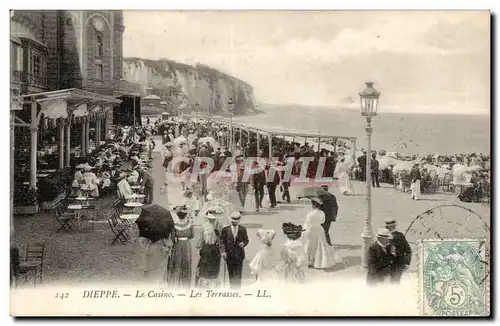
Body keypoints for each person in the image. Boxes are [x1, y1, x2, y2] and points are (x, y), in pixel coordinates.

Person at [303, 198, 341, 268]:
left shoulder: (310, 214)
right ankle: (318, 261)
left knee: (310, 245)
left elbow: (307, 222)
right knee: (319, 245)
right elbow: (323, 222)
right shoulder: (322, 213)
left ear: (313, 205)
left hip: (311, 230)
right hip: (319, 229)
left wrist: (304, 231)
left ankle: (310, 261)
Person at [219, 211, 249, 289]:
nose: (234, 223)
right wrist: (223, 252)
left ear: (238, 221)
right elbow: (221, 242)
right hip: (229, 255)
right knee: (231, 274)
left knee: (238, 275)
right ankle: (232, 289)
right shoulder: (225, 230)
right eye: (232, 222)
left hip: (239, 255)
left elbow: (246, 240)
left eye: (236, 222)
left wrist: (243, 243)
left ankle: (237, 289)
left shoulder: (243, 229)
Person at [167, 207, 194, 289]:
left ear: (178, 216)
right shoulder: (190, 225)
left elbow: (172, 238)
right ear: (185, 216)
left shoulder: (174, 226)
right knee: (186, 262)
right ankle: (186, 284)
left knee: (177, 263)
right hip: (186, 245)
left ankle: (175, 284)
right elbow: (192, 236)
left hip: (178, 245)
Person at [196, 213, 222, 288]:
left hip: (215, 250)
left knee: (214, 269)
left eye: (213, 219)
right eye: (210, 218)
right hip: (206, 248)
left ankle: (213, 286)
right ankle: (204, 286)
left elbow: (221, 240)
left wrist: (217, 231)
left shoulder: (219, 226)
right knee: (204, 268)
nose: (212, 220)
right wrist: (201, 248)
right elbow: (201, 239)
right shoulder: (204, 226)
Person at [385, 219, 412, 284]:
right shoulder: (399, 235)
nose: (387, 228)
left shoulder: (397, 236)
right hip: (396, 263)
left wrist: (406, 263)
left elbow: (408, 250)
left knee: (393, 281)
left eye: (388, 227)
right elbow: (408, 250)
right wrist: (407, 263)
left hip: (395, 263)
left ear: (392, 227)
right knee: (395, 281)